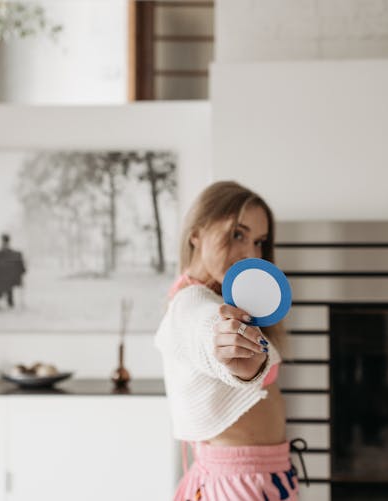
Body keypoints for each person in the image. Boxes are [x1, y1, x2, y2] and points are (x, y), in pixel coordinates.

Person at [155, 181, 307, 501]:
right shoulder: (190, 303)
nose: (251, 254)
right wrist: (228, 350)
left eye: (259, 241)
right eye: (238, 234)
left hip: (263, 477)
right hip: (239, 483)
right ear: (196, 234)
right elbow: (206, 329)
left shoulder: (223, 298)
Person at [0, 233, 26, 309]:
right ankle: (2, 297)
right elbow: (23, 270)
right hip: (3, 279)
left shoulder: (13, 254)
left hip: (9, 279)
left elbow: (22, 269)